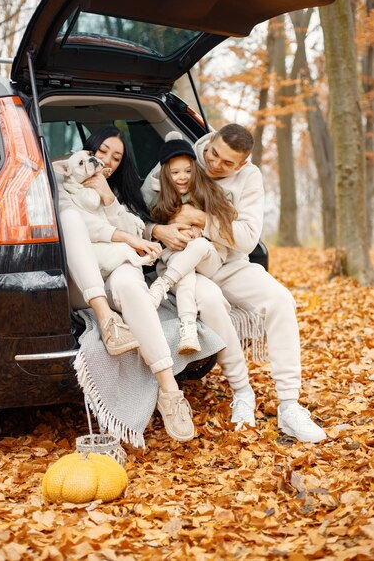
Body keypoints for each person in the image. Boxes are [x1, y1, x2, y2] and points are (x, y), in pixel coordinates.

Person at [142, 124, 327, 443]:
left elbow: (247, 238)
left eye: (227, 163)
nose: (214, 164)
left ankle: (289, 405)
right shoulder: (182, 161)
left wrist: (202, 220)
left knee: (280, 300)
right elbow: (137, 213)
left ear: (241, 165)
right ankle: (242, 393)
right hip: (188, 268)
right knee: (211, 301)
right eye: (213, 154)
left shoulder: (249, 178)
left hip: (229, 261)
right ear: (210, 141)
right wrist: (157, 231)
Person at [54, 126, 195, 442]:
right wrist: (124, 236)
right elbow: (83, 225)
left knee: (131, 284)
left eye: (116, 157)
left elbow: (138, 229)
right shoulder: (64, 182)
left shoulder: (117, 191)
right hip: (84, 285)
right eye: (102, 152)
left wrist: (108, 198)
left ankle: (169, 392)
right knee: (73, 220)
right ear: (89, 151)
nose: (107, 160)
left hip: (117, 267)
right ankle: (106, 319)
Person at [147, 135, 237, 357]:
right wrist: (176, 230)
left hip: (208, 257)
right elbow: (155, 228)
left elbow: (228, 219)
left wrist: (201, 227)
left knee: (195, 246)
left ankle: (162, 285)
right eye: (175, 172)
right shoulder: (160, 200)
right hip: (179, 260)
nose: (182, 177)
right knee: (185, 272)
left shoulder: (207, 192)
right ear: (166, 173)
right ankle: (188, 329)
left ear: (195, 169)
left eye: (187, 171)